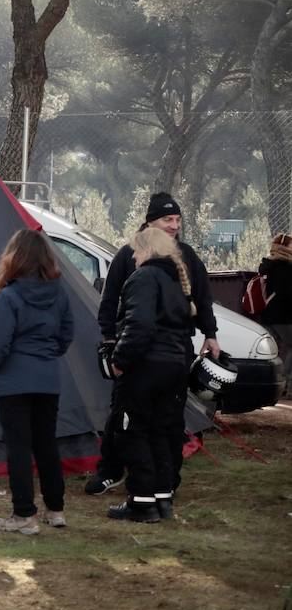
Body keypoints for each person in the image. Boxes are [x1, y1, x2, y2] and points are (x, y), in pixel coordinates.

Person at [90, 192, 217, 496]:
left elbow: (203, 299)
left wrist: (210, 333)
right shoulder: (129, 255)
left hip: (171, 353)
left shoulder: (187, 257)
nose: (174, 225)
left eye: (177, 219)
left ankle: (163, 483)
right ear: (150, 223)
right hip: (135, 352)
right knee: (122, 416)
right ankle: (111, 471)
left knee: (168, 421)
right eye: (167, 219)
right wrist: (111, 339)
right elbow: (110, 301)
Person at [0, 230, 74, 535]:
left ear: (13, 258)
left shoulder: (8, 297)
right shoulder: (59, 293)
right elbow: (66, 334)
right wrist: (46, 355)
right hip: (47, 378)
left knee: (18, 447)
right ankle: (55, 509)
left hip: (13, 381)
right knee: (46, 444)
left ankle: (24, 514)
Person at [107, 227, 196, 523]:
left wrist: (120, 359)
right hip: (173, 366)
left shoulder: (144, 278)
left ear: (148, 251)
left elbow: (140, 324)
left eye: (137, 250)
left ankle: (141, 501)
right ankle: (162, 497)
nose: (133, 256)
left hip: (146, 366)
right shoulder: (176, 282)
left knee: (133, 430)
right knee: (161, 431)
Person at [256, 233, 292, 374]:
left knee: (269, 350)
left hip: (267, 315)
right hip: (282, 317)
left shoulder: (268, 264)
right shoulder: (286, 267)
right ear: (285, 247)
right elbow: (287, 294)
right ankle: (286, 383)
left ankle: (267, 380)